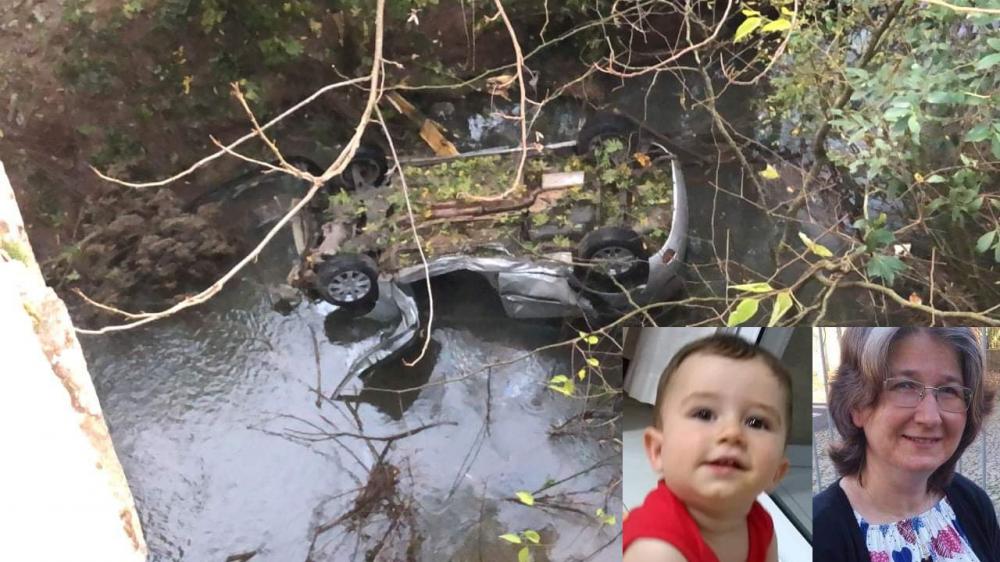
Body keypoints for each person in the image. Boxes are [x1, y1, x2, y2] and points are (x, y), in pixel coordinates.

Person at [814, 328, 1000, 561]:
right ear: (857, 405)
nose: (930, 417)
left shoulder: (973, 502)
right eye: (905, 386)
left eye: (948, 390)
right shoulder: (820, 536)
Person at [624, 334, 793, 562]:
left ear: (777, 473)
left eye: (756, 422)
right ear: (658, 451)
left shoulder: (761, 525)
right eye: (704, 414)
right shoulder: (655, 551)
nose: (732, 433)